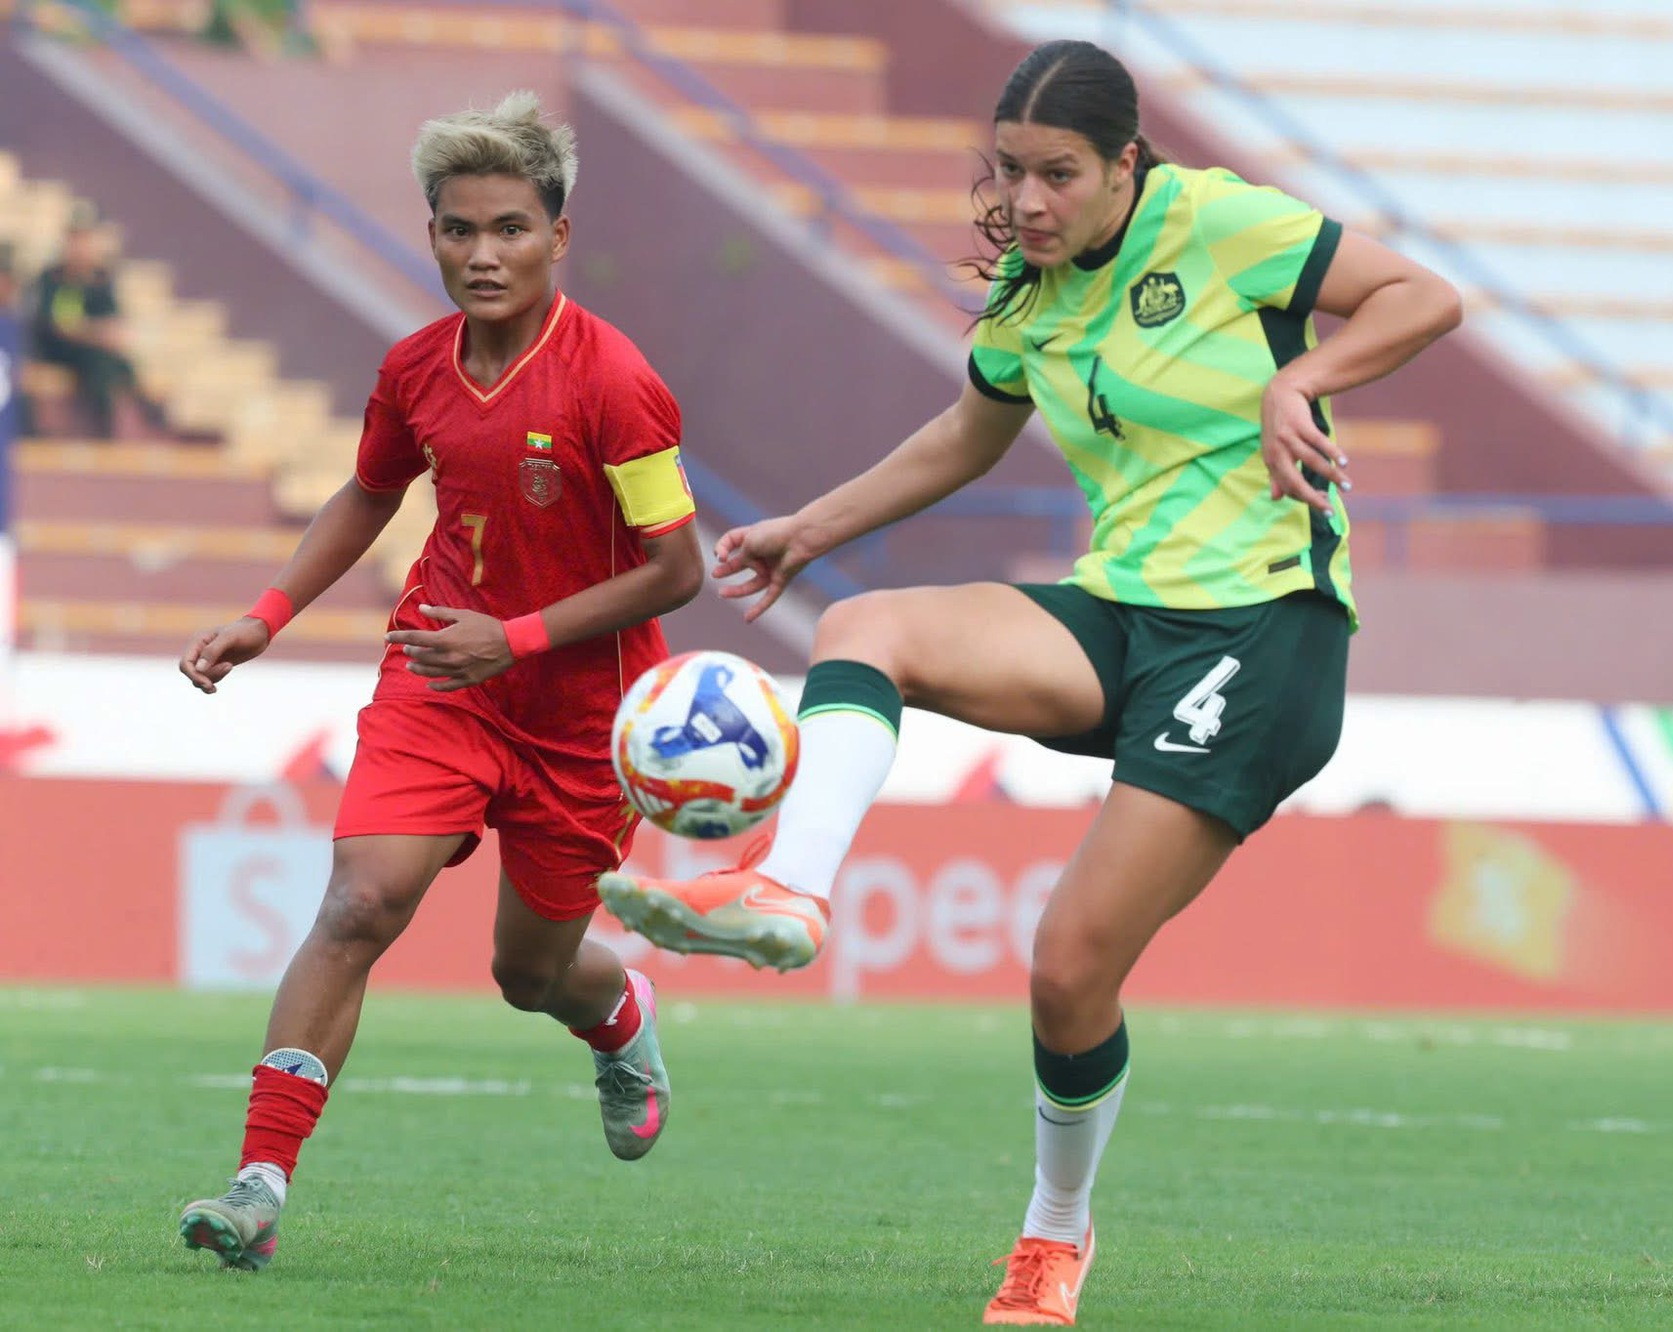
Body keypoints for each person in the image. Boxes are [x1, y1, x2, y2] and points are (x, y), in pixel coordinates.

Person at [596, 38, 1462, 1327]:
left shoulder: (1219, 223)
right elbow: (969, 430)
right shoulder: (1030, 287)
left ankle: (1054, 1237)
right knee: (870, 627)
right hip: (1120, 616)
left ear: (1124, 166)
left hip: (1262, 636)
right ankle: (789, 890)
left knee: (1065, 969)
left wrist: (1303, 376)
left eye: (1057, 174)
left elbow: (1422, 299)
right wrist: (810, 529)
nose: (1028, 201)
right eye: (1008, 171)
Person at [174, 91, 705, 1272]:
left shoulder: (615, 381)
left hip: (579, 715)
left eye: (510, 228)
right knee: (358, 903)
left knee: (527, 973)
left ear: (558, 237)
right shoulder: (414, 366)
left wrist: (514, 640)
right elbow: (368, 490)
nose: (482, 254)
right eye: (458, 230)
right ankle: (259, 1183)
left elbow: (679, 568)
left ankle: (618, 1020)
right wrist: (267, 614)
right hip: (439, 677)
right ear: (430, 236)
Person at [28, 219, 166, 440]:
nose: (80, 248)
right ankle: (103, 431)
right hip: (60, 350)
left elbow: (112, 321)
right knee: (100, 364)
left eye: (85, 241)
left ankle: (152, 415)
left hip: (94, 349)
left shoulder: (100, 279)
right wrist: (93, 332)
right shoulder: (52, 278)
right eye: (76, 241)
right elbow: (58, 326)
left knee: (122, 365)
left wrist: (98, 332)